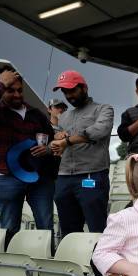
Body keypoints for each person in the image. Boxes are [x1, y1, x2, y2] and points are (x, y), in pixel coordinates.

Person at [0, 66, 58, 247]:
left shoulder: (36, 114)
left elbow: (51, 140)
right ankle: (9, 267)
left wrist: (48, 148)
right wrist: (2, 82)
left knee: (46, 227)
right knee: (9, 228)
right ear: (0, 88)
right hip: (8, 177)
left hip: (40, 178)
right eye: (10, 90)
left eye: (20, 90)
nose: (17, 95)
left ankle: (48, 268)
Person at [49, 70, 113, 236]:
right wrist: (57, 138)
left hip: (91, 174)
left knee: (96, 228)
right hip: (64, 177)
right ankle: (71, 260)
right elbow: (56, 142)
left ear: (84, 88)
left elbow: (100, 130)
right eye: (65, 91)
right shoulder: (63, 117)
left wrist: (68, 140)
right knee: (68, 230)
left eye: (72, 90)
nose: (68, 95)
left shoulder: (103, 109)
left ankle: (98, 262)